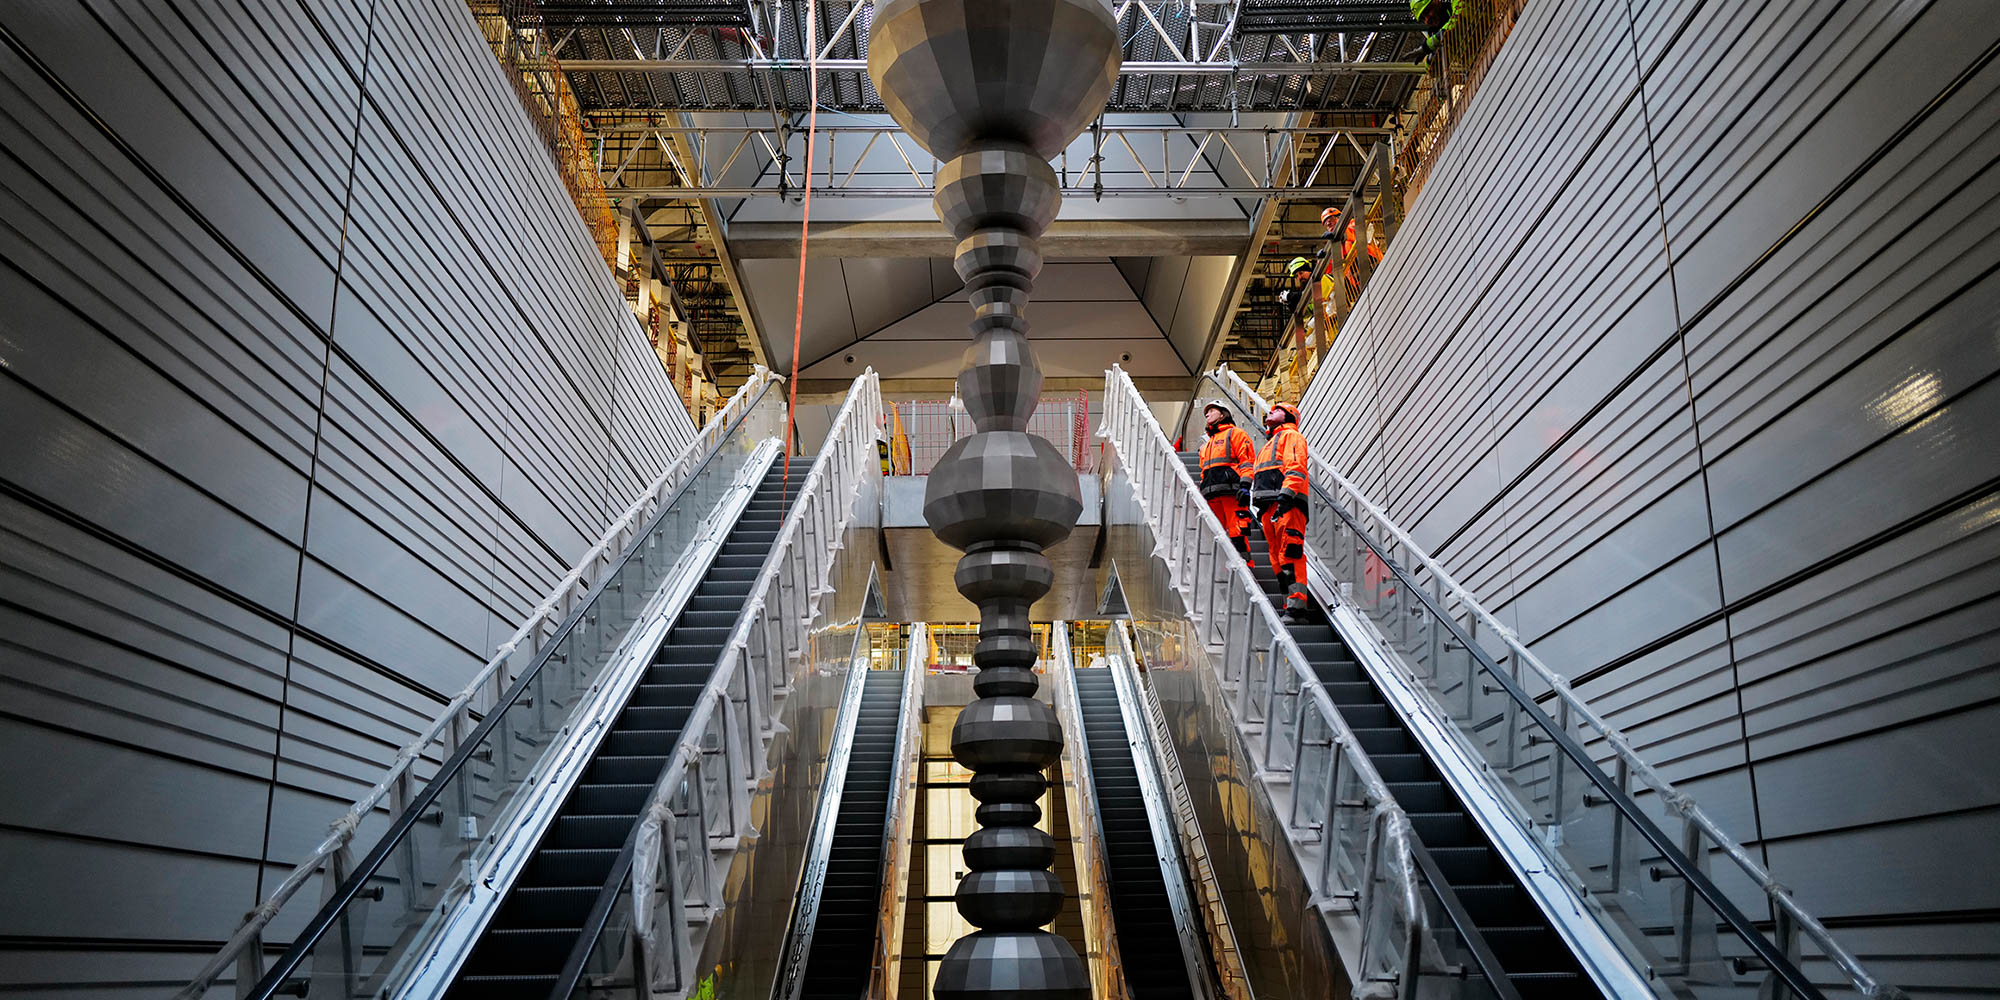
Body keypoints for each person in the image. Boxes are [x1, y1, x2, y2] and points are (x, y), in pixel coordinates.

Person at [1251, 402, 1312, 623]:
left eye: (1276, 410)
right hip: (1270, 507)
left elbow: (1296, 466)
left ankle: (1297, 608)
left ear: (1289, 417)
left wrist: (1287, 494)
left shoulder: (1291, 436)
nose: (1270, 412)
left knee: (1290, 553)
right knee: (1277, 559)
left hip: (1288, 503)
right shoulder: (1269, 445)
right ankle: (1290, 604)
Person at [1196, 401, 1257, 566]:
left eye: (1211, 411)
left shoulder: (1236, 434)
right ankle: (1224, 571)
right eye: (1206, 413)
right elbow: (1204, 472)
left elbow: (1246, 462)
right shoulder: (1206, 446)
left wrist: (1245, 486)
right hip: (1211, 495)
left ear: (1223, 414)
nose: (1207, 414)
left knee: (1237, 532)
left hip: (1232, 492)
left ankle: (1246, 567)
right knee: (1217, 536)